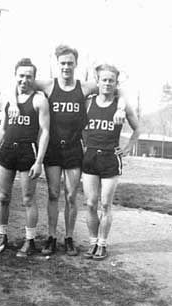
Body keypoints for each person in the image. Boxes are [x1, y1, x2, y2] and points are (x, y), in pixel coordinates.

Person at [9, 45, 126, 256]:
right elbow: (20, 80)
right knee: (53, 194)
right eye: (62, 63)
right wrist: (13, 102)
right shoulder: (48, 85)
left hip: (73, 149)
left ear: (76, 65)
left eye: (70, 63)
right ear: (57, 63)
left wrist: (121, 106)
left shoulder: (84, 87)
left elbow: (116, 88)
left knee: (71, 196)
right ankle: (52, 238)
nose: (66, 67)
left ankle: (69, 238)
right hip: (53, 148)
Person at [0, 58, 50, 257]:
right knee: (3, 197)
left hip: (27, 152)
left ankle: (29, 240)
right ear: (16, 77)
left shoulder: (39, 100)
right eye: (21, 76)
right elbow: (2, 130)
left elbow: (45, 131)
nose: (24, 80)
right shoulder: (9, 100)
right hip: (7, 152)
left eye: (29, 76)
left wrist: (39, 161)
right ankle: (2, 236)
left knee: (28, 198)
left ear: (34, 78)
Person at [82, 63, 140, 260]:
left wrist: (127, 147)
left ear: (116, 84)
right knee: (90, 203)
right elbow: (76, 124)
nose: (107, 83)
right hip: (90, 157)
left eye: (111, 81)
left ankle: (102, 244)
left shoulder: (121, 105)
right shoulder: (88, 103)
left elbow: (137, 129)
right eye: (104, 80)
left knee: (105, 204)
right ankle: (92, 242)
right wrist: (83, 142)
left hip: (110, 158)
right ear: (97, 81)